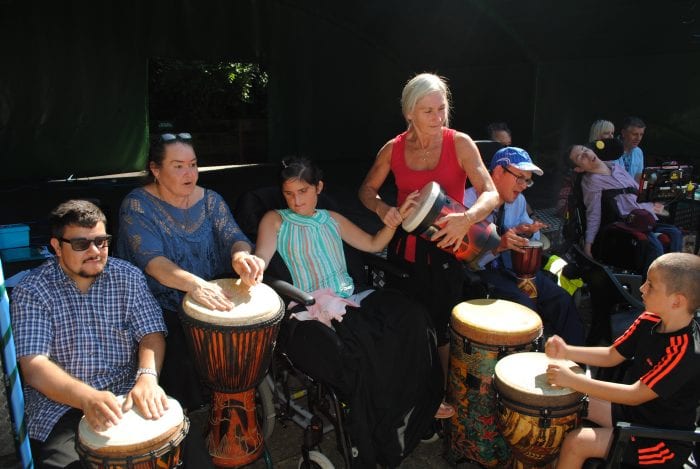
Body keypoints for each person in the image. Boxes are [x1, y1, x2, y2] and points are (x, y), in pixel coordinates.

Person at [255, 157, 445, 467]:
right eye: (289, 193)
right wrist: (251, 266)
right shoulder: (275, 220)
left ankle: (414, 407)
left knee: (413, 318)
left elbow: (372, 243)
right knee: (362, 348)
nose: (297, 200)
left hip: (350, 298)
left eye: (303, 191)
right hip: (311, 306)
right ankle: (378, 427)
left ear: (319, 187)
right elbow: (261, 257)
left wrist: (392, 222)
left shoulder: (331, 218)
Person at [116, 132, 265, 466]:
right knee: (182, 355)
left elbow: (235, 238)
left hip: (207, 295)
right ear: (155, 169)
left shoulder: (210, 200)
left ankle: (233, 412)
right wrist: (196, 286)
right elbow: (154, 264)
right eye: (178, 166)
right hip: (159, 302)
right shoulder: (137, 205)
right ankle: (182, 425)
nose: (189, 174)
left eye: (194, 165)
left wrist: (242, 257)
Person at [358, 72, 499, 390]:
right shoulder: (392, 149)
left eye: (442, 108)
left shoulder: (459, 143)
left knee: (440, 330)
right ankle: (411, 392)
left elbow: (490, 192)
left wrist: (468, 217)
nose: (438, 117)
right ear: (409, 112)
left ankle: (440, 395)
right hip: (402, 251)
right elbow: (366, 190)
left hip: (447, 247)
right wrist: (383, 209)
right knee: (406, 324)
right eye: (428, 110)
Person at [11, 200, 167, 468]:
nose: (95, 251)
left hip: (126, 397)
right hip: (61, 407)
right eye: (82, 244)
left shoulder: (127, 276)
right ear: (57, 247)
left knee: (185, 449)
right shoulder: (32, 290)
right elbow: (34, 366)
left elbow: (151, 333)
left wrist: (147, 377)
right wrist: (87, 398)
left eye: (102, 242)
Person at [545, 252, 700, 468]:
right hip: (636, 414)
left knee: (576, 442)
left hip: (662, 441)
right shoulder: (649, 319)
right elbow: (611, 355)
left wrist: (573, 380)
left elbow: (634, 394)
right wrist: (566, 351)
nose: (642, 288)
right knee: (564, 406)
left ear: (677, 301)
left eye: (651, 285)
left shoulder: (686, 350)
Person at [465, 147, 586, 344]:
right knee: (525, 306)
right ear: (497, 172)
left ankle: (576, 364)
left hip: (516, 269)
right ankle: (526, 364)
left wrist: (529, 232)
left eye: (527, 180)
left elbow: (531, 238)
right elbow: (468, 263)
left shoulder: (517, 201)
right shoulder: (468, 202)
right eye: (519, 177)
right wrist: (499, 246)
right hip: (483, 275)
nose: (522, 186)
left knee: (562, 299)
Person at [568, 144, 682, 273]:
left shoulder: (615, 167)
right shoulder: (591, 182)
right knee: (655, 247)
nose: (587, 155)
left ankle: (675, 276)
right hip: (629, 222)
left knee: (675, 233)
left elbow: (638, 192)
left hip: (646, 217)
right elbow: (593, 213)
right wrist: (588, 244)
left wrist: (653, 205)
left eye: (585, 150)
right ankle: (651, 287)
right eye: (580, 157)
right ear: (579, 169)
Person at [615, 116, 646, 182]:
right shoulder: (610, 148)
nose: (639, 138)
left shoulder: (639, 152)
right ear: (623, 133)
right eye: (635, 134)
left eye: (641, 135)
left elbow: (638, 179)